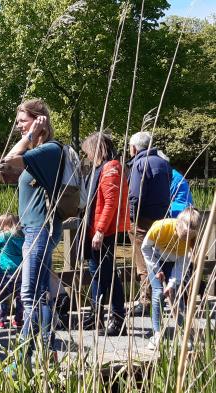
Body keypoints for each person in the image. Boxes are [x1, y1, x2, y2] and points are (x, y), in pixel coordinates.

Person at [3, 99, 63, 359]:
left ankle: (23, 355)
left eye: (23, 121)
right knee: (39, 292)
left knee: (28, 294)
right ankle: (46, 348)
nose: (19, 127)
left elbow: (8, 160)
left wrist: (30, 135)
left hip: (41, 229)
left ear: (39, 121)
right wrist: (30, 134)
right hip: (34, 229)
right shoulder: (40, 152)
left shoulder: (48, 150)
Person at [80, 132, 130, 336]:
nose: (87, 156)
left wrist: (100, 231)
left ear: (96, 149)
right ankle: (96, 316)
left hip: (104, 231)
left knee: (108, 275)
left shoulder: (111, 168)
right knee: (97, 274)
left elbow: (111, 203)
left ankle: (118, 320)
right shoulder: (99, 169)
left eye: (88, 152)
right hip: (94, 229)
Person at [141, 207, 200, 350]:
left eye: (190, 236)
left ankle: (184, 335)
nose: (186, 239)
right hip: (156, 259)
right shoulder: (161, 227)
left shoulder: (190, 241)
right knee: (158, 293)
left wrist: (172, 283)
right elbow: (145, 248)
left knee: (176, 296)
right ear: (178, 224)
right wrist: (156, 269)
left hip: (174, 263)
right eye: (185, 234)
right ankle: (157, 333)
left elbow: (182, 264)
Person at [127, 131, 172, 316]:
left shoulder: (139, 163)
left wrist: (132, 218)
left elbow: (135, 195)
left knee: (143, 259)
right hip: (162, 217)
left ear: (134, 148)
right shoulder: (164, 163)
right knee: (159, 257)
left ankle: (146, 300)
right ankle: (161, 295)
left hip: (143, 219)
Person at [0, 213, 24, 329]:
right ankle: (18, 320)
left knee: (2, 296)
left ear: (3, 224)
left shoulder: (4, 236)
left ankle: (1, 321)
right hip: (19, 270)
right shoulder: (22, 235)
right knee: (20, 297)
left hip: (5, 271)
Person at [157, 151, 194, 218]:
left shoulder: (172, 176)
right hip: (181, 210)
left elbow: (164, 197)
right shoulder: (172, 174)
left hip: (180, 213)